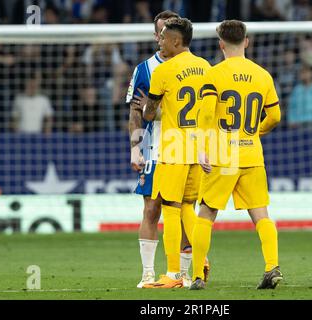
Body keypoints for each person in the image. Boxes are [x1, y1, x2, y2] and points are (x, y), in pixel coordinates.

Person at [189, 20, 282, 290]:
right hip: (251, 154)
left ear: (220, 44)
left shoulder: (213, 74)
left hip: (222, 154)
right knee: (261, 215)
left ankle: (196, 275)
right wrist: (255, 133)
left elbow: (206, 114)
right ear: (246, 42)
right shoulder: (263, 75)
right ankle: (271, 266)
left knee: (206, 213)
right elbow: (275, 116)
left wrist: (202, 148)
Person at [127, 11, 208, 289]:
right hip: (154, 148)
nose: (161, 39)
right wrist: (135, 147)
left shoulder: (172, 70)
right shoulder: (145, 69)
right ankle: (149, 272)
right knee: (153, 209)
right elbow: (134, 114)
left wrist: (157, 108)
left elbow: (145, 110)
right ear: (155, 34)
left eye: (165, 35)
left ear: (174, 39)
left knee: (180, 207)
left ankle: (182, 273)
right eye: (159, 33)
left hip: (173, 147)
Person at [287, 64, 312, 130]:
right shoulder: (297, 89)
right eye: (302, 72)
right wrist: (291, 121)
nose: (304, 74)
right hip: (298, 125)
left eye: (306, 72)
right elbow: (292, 107)